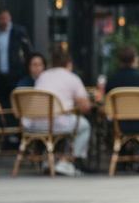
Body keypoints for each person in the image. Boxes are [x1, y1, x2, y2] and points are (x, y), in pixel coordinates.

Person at [27, 47, 92, 175]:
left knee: (66, 124)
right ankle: (67, 161)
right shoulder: (72, 78)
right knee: (84, 126)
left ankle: (49, 159)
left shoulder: (42, 76)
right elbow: (86, 108)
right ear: (69, 64)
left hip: (34, 123)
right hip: (57, 123)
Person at [0, 6, 33, 109]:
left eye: (5, 18)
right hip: (0, 77)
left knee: (16, 104)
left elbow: (28, 51)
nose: (3, 21)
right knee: (3, 105)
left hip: (15, 75)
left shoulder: (18, 31)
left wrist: (25, 70)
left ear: (9, 18)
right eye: (1, 18)